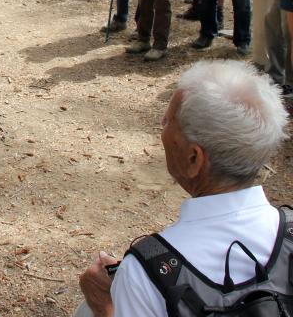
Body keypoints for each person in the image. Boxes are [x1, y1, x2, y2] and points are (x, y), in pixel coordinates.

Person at [77, 60, 288, 317]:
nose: (162, 126)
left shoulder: (148, 273)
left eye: (168, 121)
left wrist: (103, 306)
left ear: (193, 159)